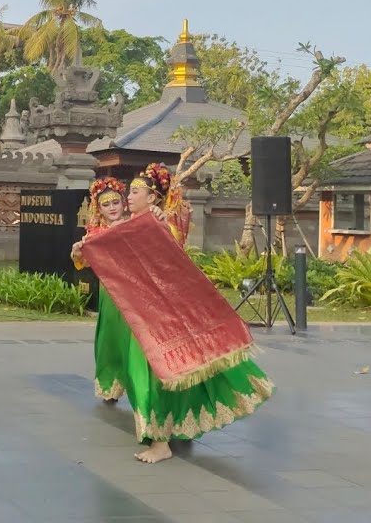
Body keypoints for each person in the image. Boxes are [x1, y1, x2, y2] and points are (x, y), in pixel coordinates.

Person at [111, 163, 273, 463]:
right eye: (129, 192)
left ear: (153, 199)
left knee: (156, 374)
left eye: (136, 192)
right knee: (145, 375)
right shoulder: (130, 225)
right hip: (138, 314)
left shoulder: (159, 224)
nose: (128, 196)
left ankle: (161, 443)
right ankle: (166, 432)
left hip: (160, 317)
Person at [70, 177, 130, 403]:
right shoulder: (95, 234)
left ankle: (137, 383)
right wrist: (77, 251)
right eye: (106, 205)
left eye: (116, 203)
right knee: (110, 339)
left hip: (135, 292)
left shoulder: (134, 225)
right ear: (99, 208)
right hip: (111, 293)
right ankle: (110, 385)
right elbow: (82, 260)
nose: (112, 208)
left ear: (123, 203)